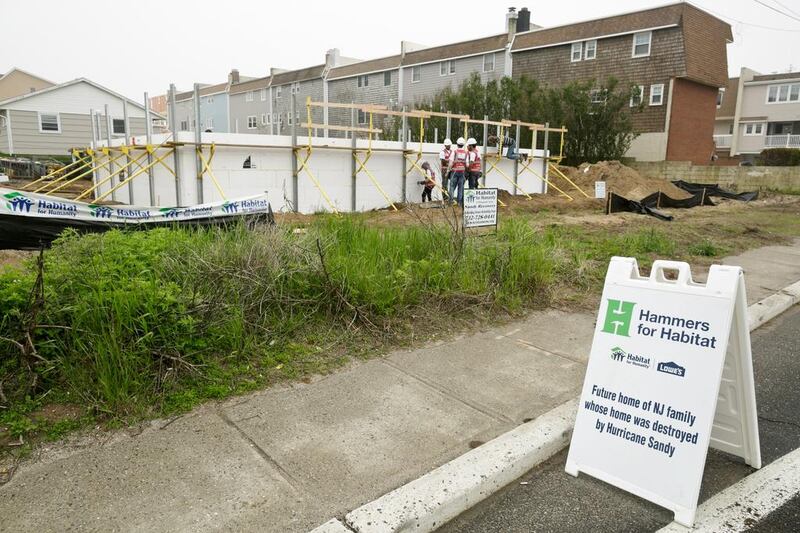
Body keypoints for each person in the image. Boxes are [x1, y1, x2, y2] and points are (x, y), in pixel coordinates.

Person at [447, 137, 468, 206]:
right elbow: (467, 164)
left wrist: (448, 171)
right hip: (462, 172)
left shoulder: (454, 152)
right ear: (463, 145)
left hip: (455, 171)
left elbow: (450, 163)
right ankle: (459, 203)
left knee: (452, 187)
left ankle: (451, 202)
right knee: (460, 187)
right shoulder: (465, 153)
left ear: (457, 144)